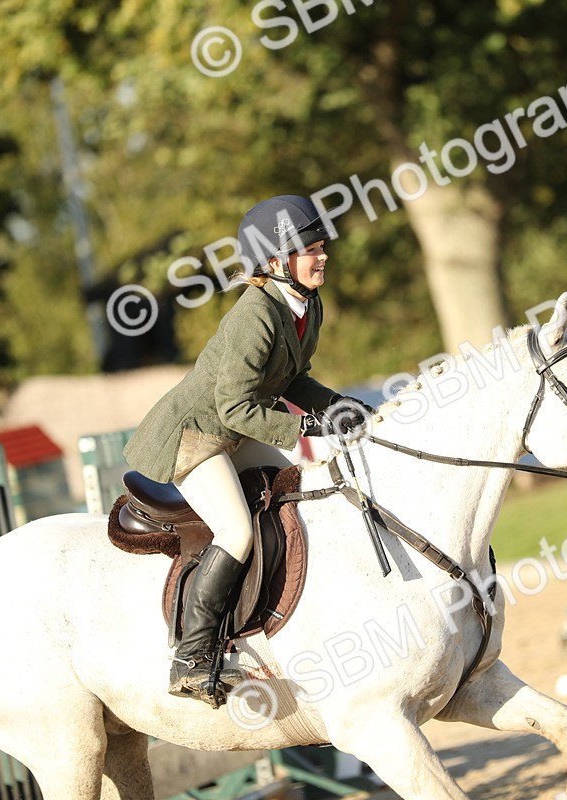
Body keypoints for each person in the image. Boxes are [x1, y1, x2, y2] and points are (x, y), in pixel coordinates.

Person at [123, 195, 365, 705]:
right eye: (310, 250)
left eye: (322, 247)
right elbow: (234, 410)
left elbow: (294, 378)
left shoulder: (306, 304)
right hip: (193, 437)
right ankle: (190, 658)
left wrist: (338, 405)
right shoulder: (254, 316)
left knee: (300, 493)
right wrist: (309, 427)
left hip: (234, 430)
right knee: (235, 529)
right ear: (275, 261)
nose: (322, 257)